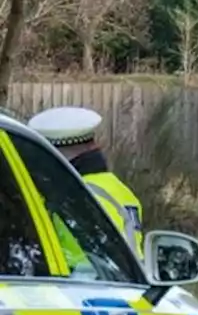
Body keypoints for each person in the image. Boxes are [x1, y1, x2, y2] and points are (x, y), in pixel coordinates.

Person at [27, 106, 145, 260]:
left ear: (55, 155)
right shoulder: (118, 188)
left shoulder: (76, 196)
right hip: (123, 281)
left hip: (83, 280)